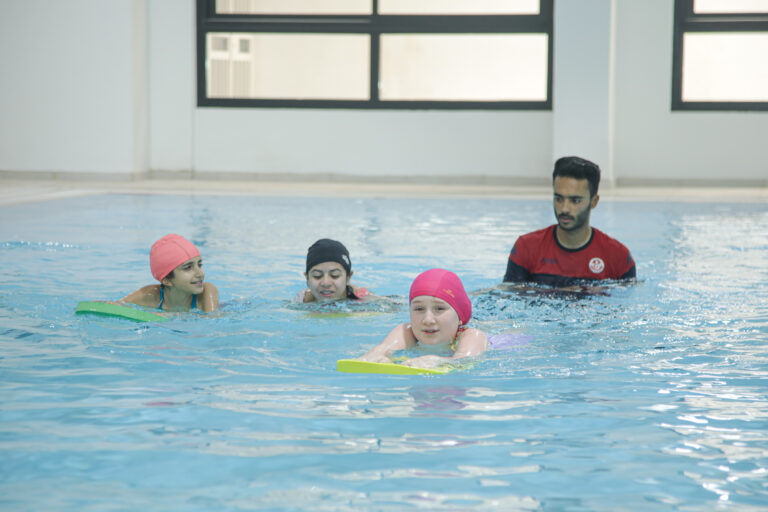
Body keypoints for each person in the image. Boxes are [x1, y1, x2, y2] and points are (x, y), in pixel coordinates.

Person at [503, 156, 636, 287]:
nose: (565, 209)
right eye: (559, 199)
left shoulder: (618, 258)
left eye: (575, 201)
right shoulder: (527, 248)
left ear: (594, 202)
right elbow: (509, 296)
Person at [358, 268, 487, 369]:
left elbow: (465, 361)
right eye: (419, 309)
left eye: (440, 309)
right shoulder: (407, 331)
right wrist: (377, 357)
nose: (428, 320)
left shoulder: (473, 336)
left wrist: (437, 361)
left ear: (459, 316)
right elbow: (382, 350)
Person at [121, 234, 219, 312]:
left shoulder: (207, 291)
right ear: (167, 280)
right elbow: (114, 307)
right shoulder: (149, 295)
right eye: (188, 268)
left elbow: (213, 322)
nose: (200, 273)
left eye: (199, 265)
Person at [294, 238, 371, 303]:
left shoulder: (364, 299)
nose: (326, 283)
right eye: (317, 276)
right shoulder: (301, 300)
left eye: (335, 275)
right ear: (307, 279)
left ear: (348, 277)